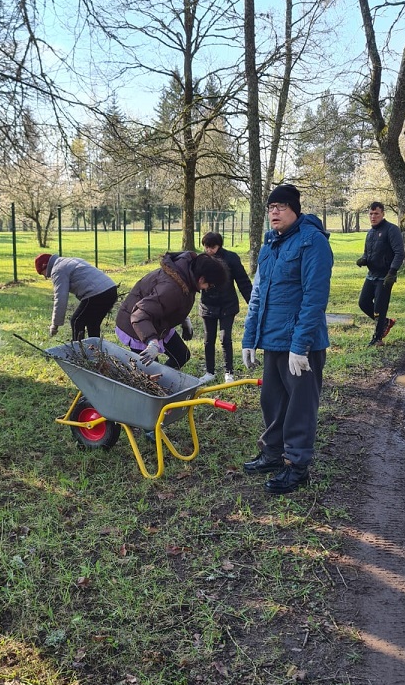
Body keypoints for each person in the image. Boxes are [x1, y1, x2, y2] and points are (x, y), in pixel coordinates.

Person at [241, 183, 333, 495]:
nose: (274, 212)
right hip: (273, 340)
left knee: (299, 407)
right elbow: (258, 295)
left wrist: (300, 346)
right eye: (270, 208)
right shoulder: (270, 245)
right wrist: (249, 338)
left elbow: (314, 298)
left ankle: (296, 466)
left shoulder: (312, 242)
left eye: (280, 206)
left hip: (301, 345)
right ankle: (272, 453)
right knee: (273, 401)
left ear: (295, 210)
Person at [115, 251, 228, 370]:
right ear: (202, 279)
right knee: (151, 370)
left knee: (181, 355)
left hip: (158, 321)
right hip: (137, 326)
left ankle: (164, 377)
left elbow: (174, 302)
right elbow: (139, 314)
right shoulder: (170, 288)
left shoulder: (188, 276)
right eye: (210, 285)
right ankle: (152, 379)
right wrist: (152, 342)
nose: (208, 288)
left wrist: (184, 319)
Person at [198, 232, 252, 384]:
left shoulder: (231, 258)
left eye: (212, 247)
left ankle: (229, 372)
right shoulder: (201, 260)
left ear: (219, 245)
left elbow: (243, 282)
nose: (209, 250)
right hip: (208, 305)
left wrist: (253, 304)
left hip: (227, 305)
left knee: (225, 338)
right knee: (209, 339)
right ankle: (209, 372)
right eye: (206, 247)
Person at [35, 253, 118, 340]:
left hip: (96, 293)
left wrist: (54, 325)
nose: (46, 277)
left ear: (45, 266)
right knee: (92, 322)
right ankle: (95, 347)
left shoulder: (58, 270)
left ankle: (78, 347)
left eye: (42, 273)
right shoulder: (69, 260)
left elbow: (60, 298)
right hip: (110, 289)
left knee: (76, 321)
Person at [357, 201, 405, 346]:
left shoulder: (391, 230)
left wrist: (392, 272)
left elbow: (400, 253)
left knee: (379, 308)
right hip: (371, 274)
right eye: (371, 214)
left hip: (385, 276)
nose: (373, 217)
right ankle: (385, 322)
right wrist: (364, 259)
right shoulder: (370, 233)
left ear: (383, 214)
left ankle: (377, 339)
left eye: (376, 214)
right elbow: (367, 253)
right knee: (363, 302)